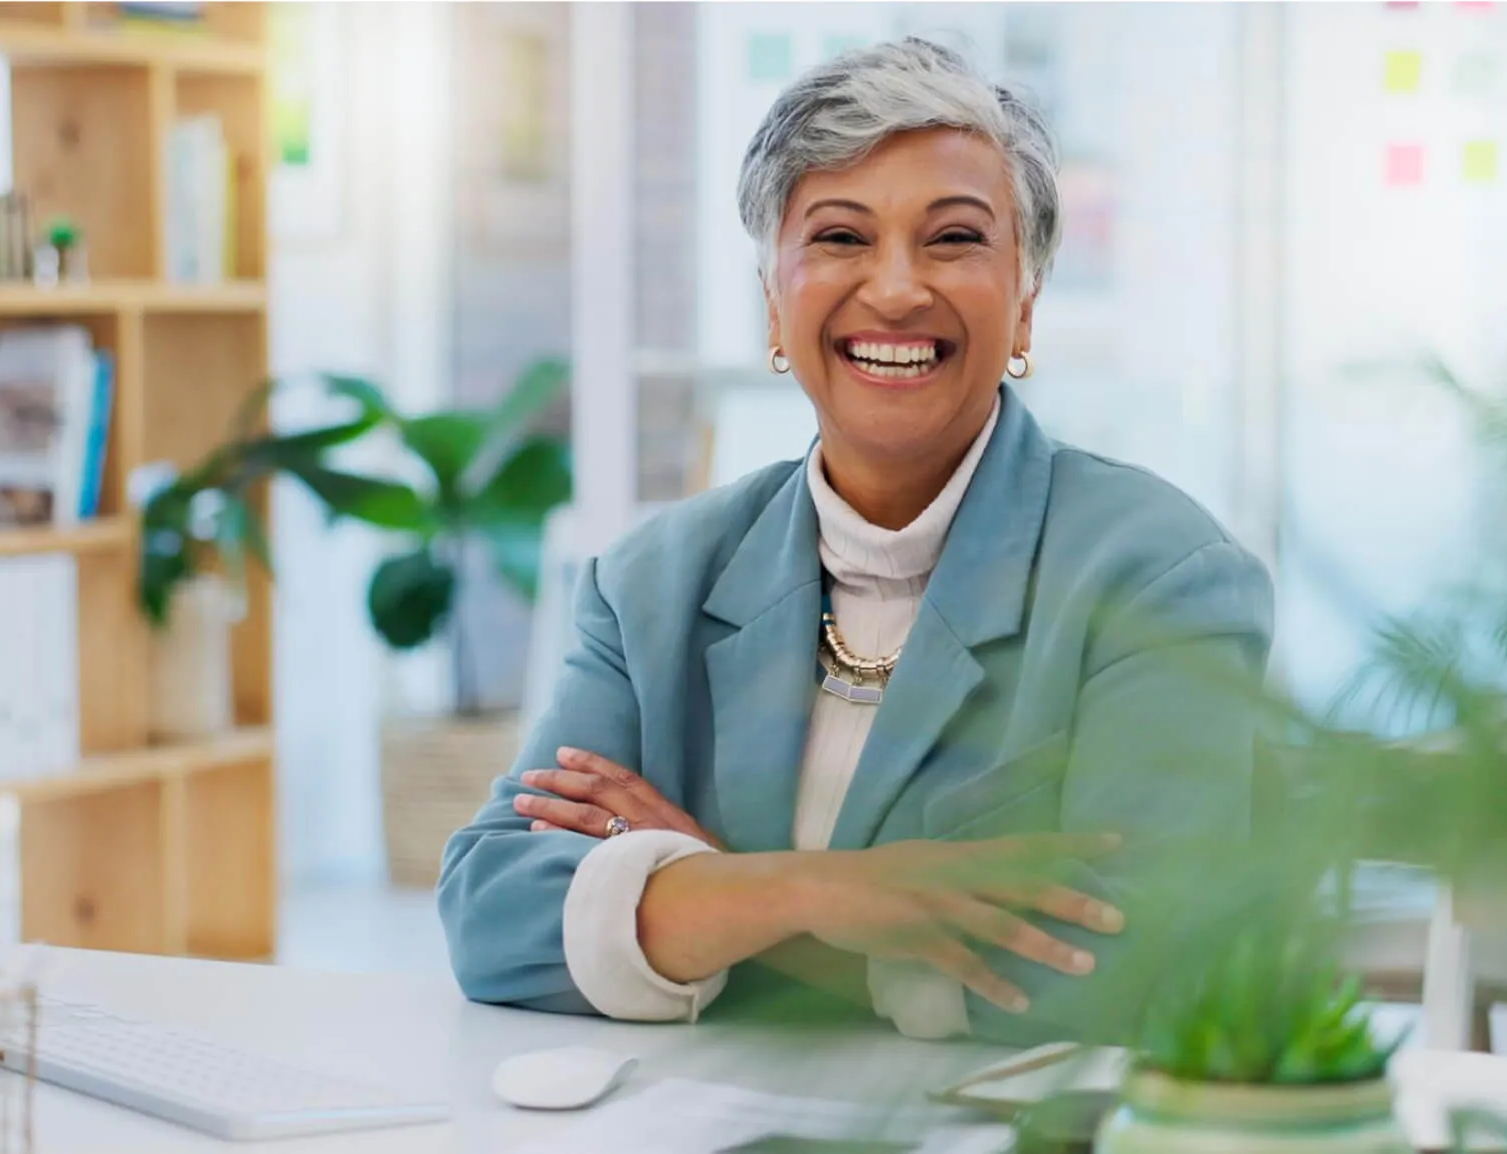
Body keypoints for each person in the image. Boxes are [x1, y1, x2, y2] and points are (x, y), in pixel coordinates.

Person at [437, 37, 1273, 1043]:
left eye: (953, 238)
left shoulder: (1159, 577)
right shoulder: (651, 580)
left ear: (1023, 306)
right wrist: (817, 892)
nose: (892, 289)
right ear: (774, 308)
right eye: (838, 236)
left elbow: (1131, 966)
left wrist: (717, 894)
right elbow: (492, 911)